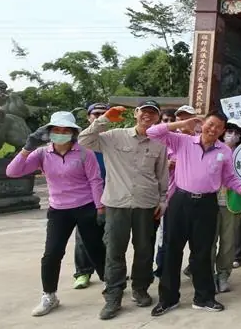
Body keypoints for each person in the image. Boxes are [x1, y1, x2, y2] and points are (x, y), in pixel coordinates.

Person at [147, 111, 241, 317]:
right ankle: (168, 299)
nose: (213, 129)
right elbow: (152, 132)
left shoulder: (224, 150)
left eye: (218, 127)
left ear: (223, 131)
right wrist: (182, 122)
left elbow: (229, 178)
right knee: (172, 250)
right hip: (180, 201)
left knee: (203, 252)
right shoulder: (183, 141)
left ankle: (204, 297)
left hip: (207, 204)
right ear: (203, 123)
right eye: (211, 124)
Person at [6, 111, 106, 317]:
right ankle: (49, 295)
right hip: (59, 210)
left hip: (85, 206)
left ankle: (111, 285)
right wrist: (27, 148)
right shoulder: (42, 153)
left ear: (73, 133)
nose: (61, 134)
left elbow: (95, 180)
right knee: (52, 253)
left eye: (65, 130)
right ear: (49, 132)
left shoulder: (84, 153)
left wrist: (100, 208)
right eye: (57, 130)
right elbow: (13, 172)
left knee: (95, 248)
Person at [78, 100, 168, 320]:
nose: (148, 116)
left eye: (152, 113)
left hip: (146, 204)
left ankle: (140, 288)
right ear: (136, 113)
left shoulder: (159, 143)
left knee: (144, 249)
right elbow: (84, 140)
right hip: (117, 203)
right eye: (144, 111)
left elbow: (162, 174)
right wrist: (104, 119)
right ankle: (113, 295)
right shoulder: (114, 136)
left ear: (157, 117)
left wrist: (163, 200)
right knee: (114, 250)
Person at [72, 103, 109, 291]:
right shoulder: (82, 143)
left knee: (109, 237)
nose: (100, 117)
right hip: (86, 196)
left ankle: (108, 272)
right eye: (96, 114)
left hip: (111, 194)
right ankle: (83, 272)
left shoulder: (111, 140)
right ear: (89, 117)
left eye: (104, 114)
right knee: (84, 236)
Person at [212, 124, 241, 294]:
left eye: (236, 133)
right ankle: (208, 275)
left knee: (228, 243)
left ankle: (223, 275)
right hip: (209, 201)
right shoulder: (210, 148)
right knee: (208, 242)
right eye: (229, 132)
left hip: (232, 201)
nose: (232, 136)